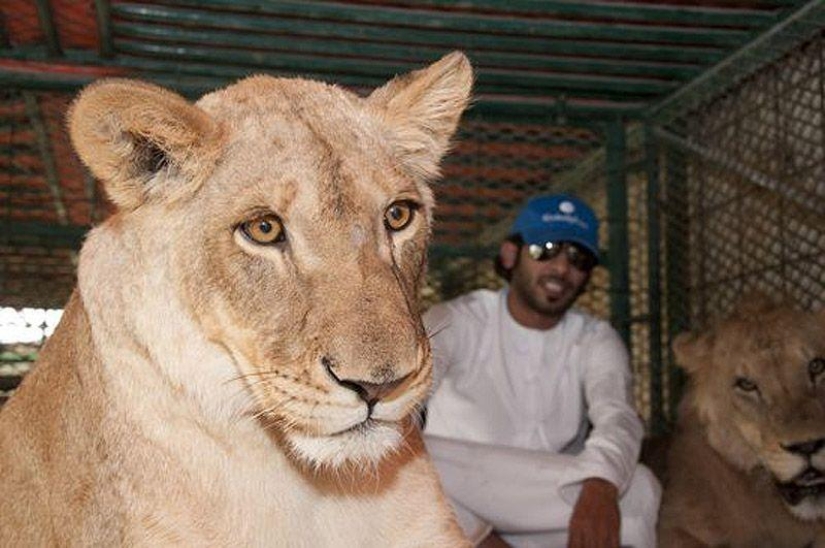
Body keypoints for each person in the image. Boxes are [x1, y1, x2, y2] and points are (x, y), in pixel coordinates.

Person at [422, 194, 661, 548]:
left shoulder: (595, 338)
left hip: (545, 493)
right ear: (510, 255)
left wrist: (601, 484)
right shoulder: (456, 320)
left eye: (577, 259)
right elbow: (404, 408)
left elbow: (618, 416)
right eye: (545, 249)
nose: (561, 269)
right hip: (463, 488)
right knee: (407, 460)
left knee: (639, 487)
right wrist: (479, 536)